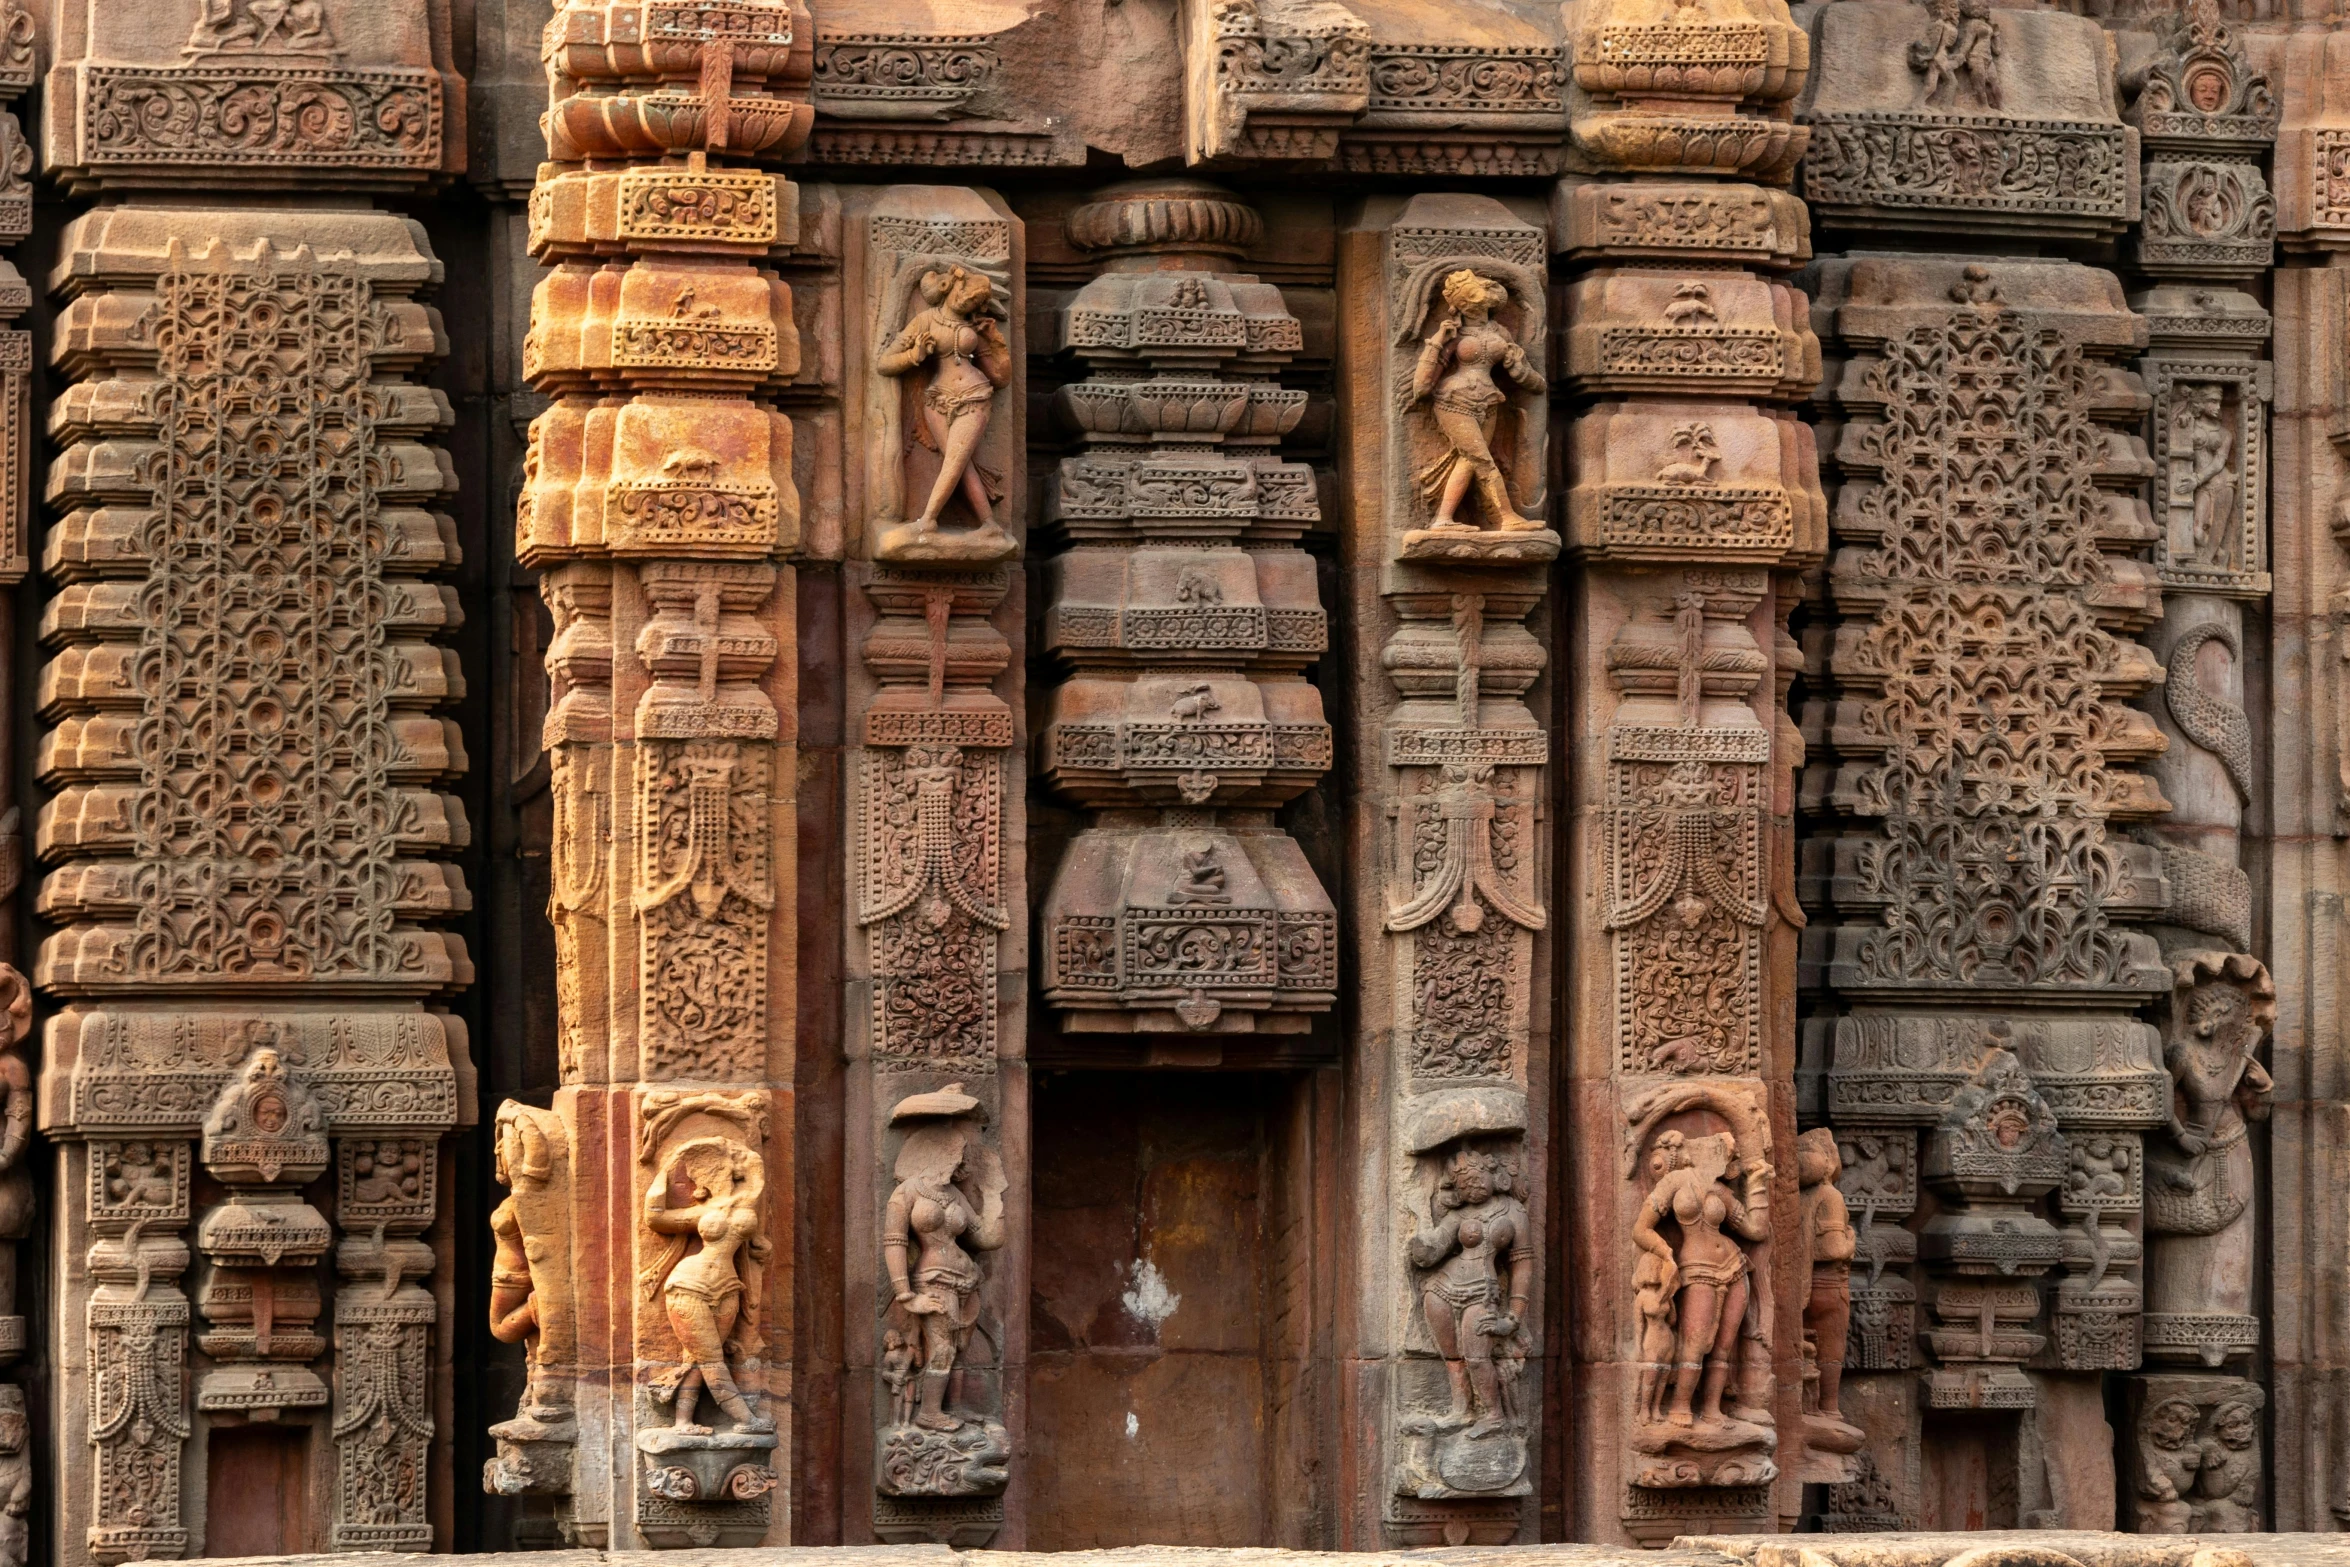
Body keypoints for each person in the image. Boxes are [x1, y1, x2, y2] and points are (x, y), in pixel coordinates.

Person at [641, 1138, 773, 1435]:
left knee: (699, 1360)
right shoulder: (704, 1212)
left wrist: (733, 1148)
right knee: (712, 1358)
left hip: (728, 1287)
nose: (710, 1176)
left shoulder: (747, 1200)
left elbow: (755, 1166)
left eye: (717, 1168)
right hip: (689, 1283)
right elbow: (656, 1217)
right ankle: (745, 1420)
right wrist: (664, 1169)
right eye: (705, 1172)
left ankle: (683, 1422)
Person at [877, 266, 1012, 539]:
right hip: (937, 400)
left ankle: (927, 520)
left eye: (975, 301)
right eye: (966, 295)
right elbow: (884, 363)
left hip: (974, 396)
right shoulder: (925, 321)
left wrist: (995, 341)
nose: (968, 303)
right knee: (960, 464)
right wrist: (914, 354)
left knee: (956, 461)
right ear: (950, 286)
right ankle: (989, 525)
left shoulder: (974, 328)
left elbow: (1000, 378)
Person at [1411, 270, 1545, 532]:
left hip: (1488, 402)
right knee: (1482, 460)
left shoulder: (1501, 333)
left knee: (1470, 461)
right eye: (1464, 298)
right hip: (1453, 401)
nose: (1472, 301)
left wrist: (1521, 371)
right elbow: (1423, 384)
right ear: (1458, 305)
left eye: (1474, 292)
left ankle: (1443, 520)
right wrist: (1438, 342)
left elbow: (1532, 381)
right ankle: (1507, 517)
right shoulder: (1453, 334)